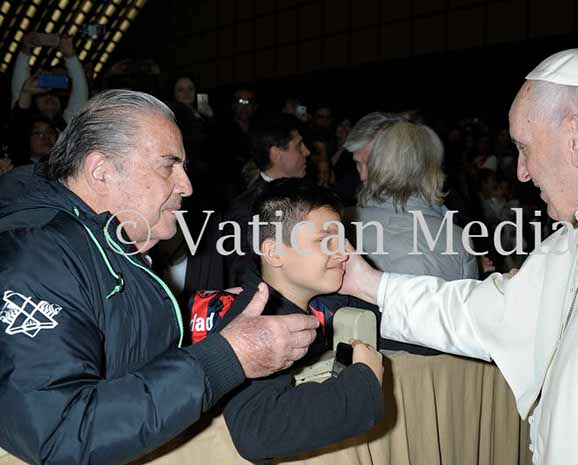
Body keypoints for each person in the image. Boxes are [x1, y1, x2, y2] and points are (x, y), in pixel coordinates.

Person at [338, 45, 578, 464]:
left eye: (525, 148)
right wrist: (369, 283)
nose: (522, 172)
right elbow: (486, 312)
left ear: (577, 139)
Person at [0, 90, 320, 465]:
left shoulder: (106, 240)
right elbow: (61, 433)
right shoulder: (36, 256)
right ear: (101, 171)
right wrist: (227, 357)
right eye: (168, 166)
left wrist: (200, 314)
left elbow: (118, 340)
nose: (186, 186)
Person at [208, 179, 384, 461]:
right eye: (326, 241)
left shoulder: (329, 301)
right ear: (274, 252)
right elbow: (258, 430)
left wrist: (370, 288)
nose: (344, 253)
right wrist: (362, 382)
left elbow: (416, 335)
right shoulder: (252, 324)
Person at [348, 120, 478, 281]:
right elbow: (468, 295)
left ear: (379, 165)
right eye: (358, 164)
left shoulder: (340, 224)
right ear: (433, 169)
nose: (362, 175)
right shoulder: (458, 239)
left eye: (366, 163)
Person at [223, 112, 311, 287]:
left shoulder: (311, 195)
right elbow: (243, 275)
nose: (307, 152)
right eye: (299, 146)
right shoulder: (245, 210)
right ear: (276, 154)